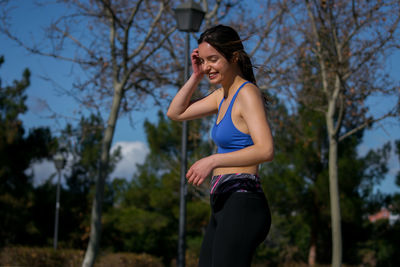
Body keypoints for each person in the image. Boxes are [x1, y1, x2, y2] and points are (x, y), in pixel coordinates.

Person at [167, 24, 273, 267]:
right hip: (222, 204)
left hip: (243, 202)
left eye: (212, 60)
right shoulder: (221, 95)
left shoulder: (247, 94)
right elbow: (175, 113)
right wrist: (195, 76)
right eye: (203, 61)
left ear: (233, 57)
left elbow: (266, 150)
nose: (207, 67)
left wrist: (213, 160)